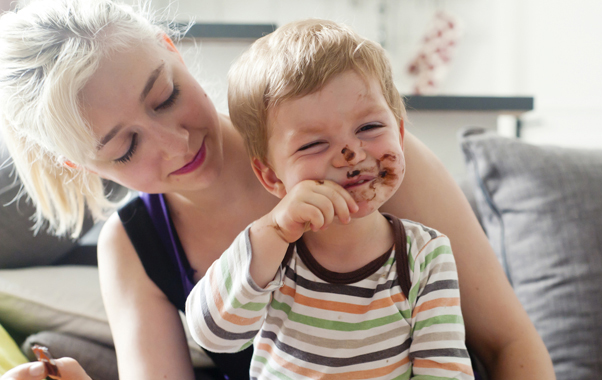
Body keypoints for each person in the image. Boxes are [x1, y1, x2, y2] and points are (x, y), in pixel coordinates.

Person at [0, 0, 555, 379]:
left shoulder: (363, 158)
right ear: (80, 163)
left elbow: (511, 347)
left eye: (166, 96)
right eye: (125, 149)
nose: (174, 143)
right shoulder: (133, 248)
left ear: (172, 49)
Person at [185, 19, 474, 379]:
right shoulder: (272, 252)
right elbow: (213, 335)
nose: (351, 153)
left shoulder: (425, 255)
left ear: (399, 134)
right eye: (313, 144)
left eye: (369, 127)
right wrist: (273, 231)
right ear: (272, 176)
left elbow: (445, 372)